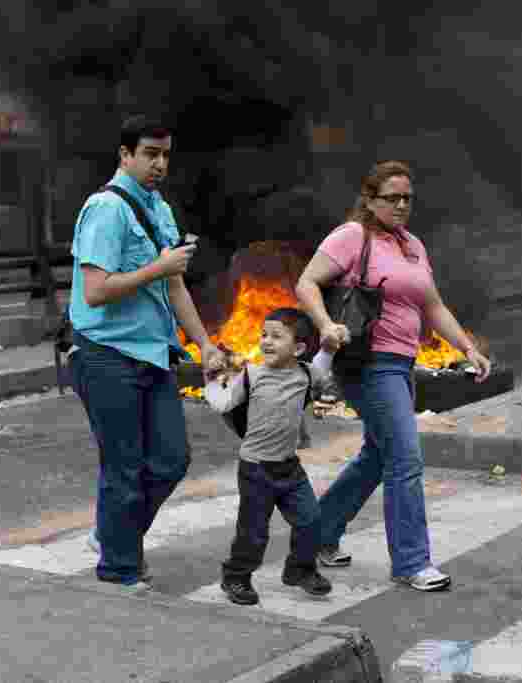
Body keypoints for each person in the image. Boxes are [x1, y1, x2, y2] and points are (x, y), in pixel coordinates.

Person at [295, 160, 492, 592]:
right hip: (366, 363)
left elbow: (433, 306)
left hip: (401, 364)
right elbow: (306, 283)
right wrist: (326, 325)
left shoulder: (412, 246)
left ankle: (316, 533)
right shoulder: (351, 236)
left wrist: (468, 347)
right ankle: (410, 561)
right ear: (370, 199)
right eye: (392, 198)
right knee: (405, 457)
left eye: (407, 198)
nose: (402, 205)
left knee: (379, 456)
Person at [67, 115, 224, 588]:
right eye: (150, 154)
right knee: (125, 467)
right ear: (125, 155)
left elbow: (175, 286)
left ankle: (111, 533)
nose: (159, 164)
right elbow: (95, 291)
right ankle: (119, 570)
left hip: (154, 355)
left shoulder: (160, 209)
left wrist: (204, 343)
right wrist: (158, 267)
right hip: (107, 355)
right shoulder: (106, 209)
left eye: (165, 155)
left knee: (171, 460)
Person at [203, 307, 334, 605]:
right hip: (255, 469)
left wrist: (328, 348)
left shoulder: (306, 373)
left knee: (311, 521)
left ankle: (300, 570)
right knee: (253, 533)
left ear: (298, 348)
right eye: (264, 335)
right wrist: (210, 381)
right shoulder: (252, 375)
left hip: (290, 468)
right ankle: (236, 577)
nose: (266, 342)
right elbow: (223, 403)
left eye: (277, 336)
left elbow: (323, 369)